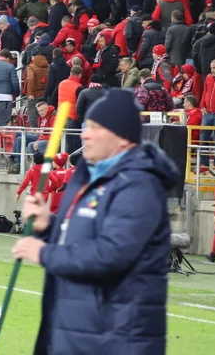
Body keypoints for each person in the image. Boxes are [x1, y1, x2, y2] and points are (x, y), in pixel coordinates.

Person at [12, 89, 180, 354]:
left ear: (120, 137)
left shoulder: (139, 186)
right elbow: (83, 239)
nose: (84, 134)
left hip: (114, 337)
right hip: (79, 332)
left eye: (94, 128)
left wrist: (45, 253)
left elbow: (109, 255)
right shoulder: (91, 177)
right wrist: (50, 226)